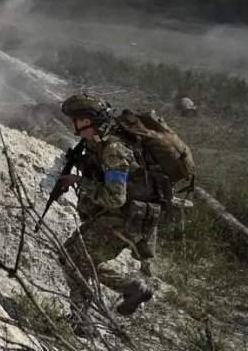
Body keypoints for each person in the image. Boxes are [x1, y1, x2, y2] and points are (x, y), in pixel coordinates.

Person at [57, 92, 160, 335]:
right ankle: (130, 290)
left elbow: (115, 197)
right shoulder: (98, 144)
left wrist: (79, 182)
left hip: (123, 220)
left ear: (86, 121)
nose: (71, 124)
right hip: (114, 217)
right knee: (73, 258)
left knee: (73, 258)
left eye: (75, 119)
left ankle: (82, 321)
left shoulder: (114, 149)